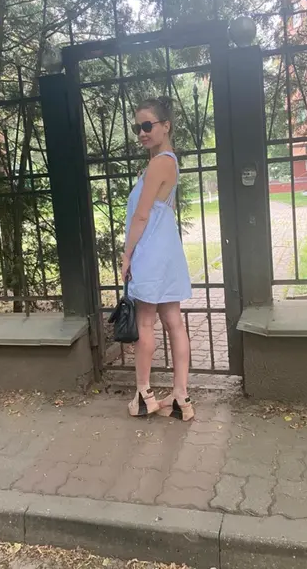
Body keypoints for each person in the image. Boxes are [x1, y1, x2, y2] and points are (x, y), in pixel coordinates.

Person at [121, 96, 194, 421]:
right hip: (167, 252)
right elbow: (165, 211)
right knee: (174, 321)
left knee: (146, 322)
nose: (142, 132)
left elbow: (141, 216)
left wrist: (127, 255)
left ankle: (144, 395)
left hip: (150, 252)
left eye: (148, 125)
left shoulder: (158, 164)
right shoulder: (170, 163)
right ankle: (181, 397)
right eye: (137, 127)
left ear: (166, 126)